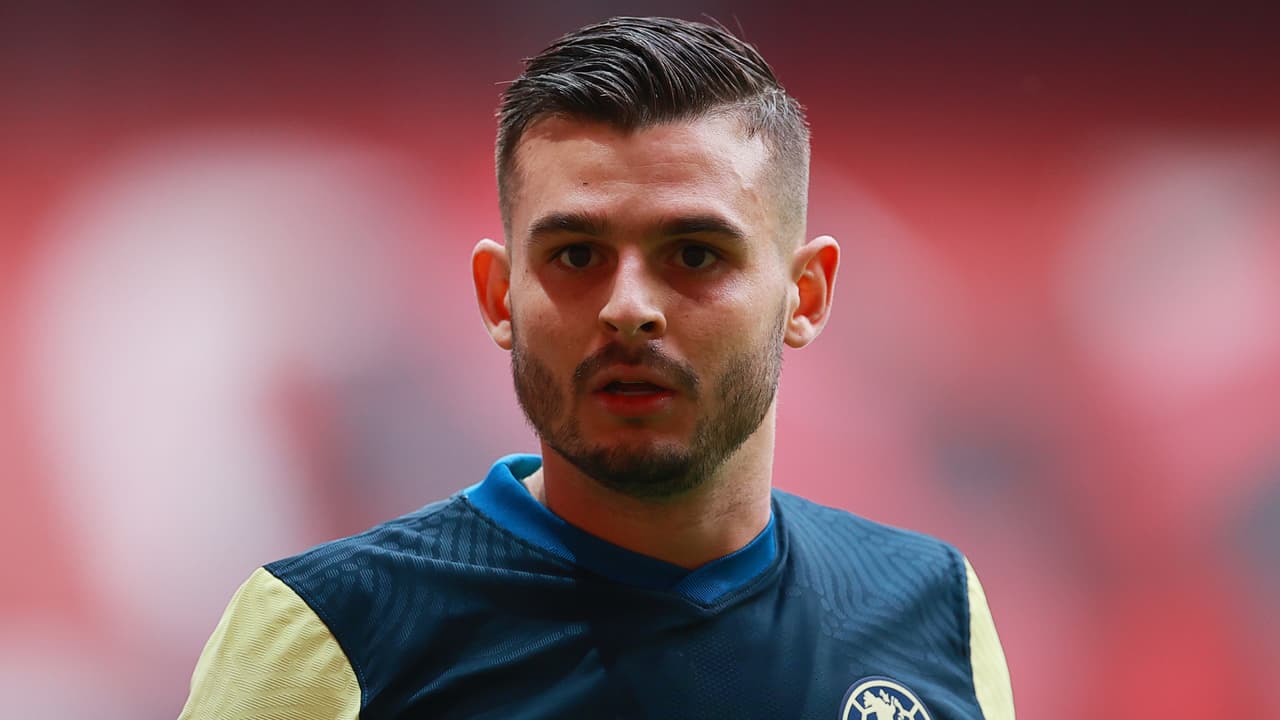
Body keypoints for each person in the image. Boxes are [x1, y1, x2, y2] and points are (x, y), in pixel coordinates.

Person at [179, 16, 1015, 720]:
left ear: (806, 295)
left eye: (695, 253)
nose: (629, 307)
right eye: (577, 254)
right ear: (499, 296)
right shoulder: (337, 632)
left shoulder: (934, 607)